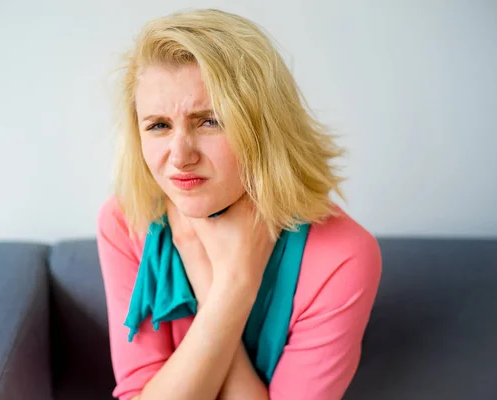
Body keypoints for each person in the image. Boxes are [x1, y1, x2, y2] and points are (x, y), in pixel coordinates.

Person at [96, 8, 381, 400]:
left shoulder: (342, 257)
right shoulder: (127, 220)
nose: (180, 156)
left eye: (209, 121)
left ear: (263, 128)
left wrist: (231, 281)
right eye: (159, 125)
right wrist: (221, 283)